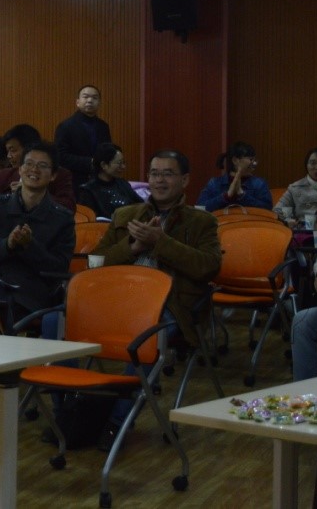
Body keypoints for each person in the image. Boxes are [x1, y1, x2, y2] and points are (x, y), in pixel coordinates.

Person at [92, 149, 221, 447]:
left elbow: (209, 267)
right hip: (119, 302)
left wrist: (161, 243)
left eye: (167, 174)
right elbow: (95, 263)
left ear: (185, 180)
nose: (159, 180)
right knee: (55, 318)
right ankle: (69, 411)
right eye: (154, 173)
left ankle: (117, 422)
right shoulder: (125, 216)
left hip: (170, 307)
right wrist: (132, 247)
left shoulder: (201, 222)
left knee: (148, 333)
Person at [0, 142, 75, 426]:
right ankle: (4, 378)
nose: (34, 170)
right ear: (19, 170)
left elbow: (58, 269)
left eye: (42, 166)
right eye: (29, 164)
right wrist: (8, 245)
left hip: (30, 295)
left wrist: (30, 246)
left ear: (53, 175)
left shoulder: (61, 218)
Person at [54, 85, 112, 187]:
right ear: (77, 102)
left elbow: (108, 151)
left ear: (99, 103)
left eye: (94, 98)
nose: (90, 100)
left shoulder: (103, 126)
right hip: (74, 181)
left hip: (100, 180)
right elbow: (60, 156)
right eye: (85, 97)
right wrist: (90, 162)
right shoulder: (65, 126)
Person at [197, 141, 272, 211]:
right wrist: (226, 196)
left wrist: (242, 195)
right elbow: (200, 208)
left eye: (254, 160)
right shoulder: (215, 183)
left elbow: (268, 209)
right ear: (235, 160)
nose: (254, 163)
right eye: (251, 159)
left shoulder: (259, 184)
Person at [77, 142, 140, 219]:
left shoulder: (123, 184)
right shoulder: (88, 191)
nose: (123, 167)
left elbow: (139, 205)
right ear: (104, 165)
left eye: (123, 162)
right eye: (119, 163)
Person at [276, 147, 317, 228]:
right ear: (306, 165)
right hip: (304, 231)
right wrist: (288, 220)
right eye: (312, 163)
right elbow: (278, 210)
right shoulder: (295, 188)